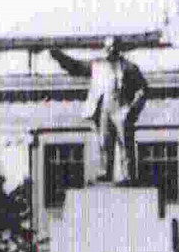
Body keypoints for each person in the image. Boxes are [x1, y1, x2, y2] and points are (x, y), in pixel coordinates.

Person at [48, 36, 148, 184]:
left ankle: (128, 175)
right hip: (104, 108)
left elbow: (142, 89)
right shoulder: (97, 66)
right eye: (108, 47)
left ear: (119, 48)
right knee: (104, 142)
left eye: (113, 46)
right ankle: (105, 172)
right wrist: (59, 56)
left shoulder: (129, 67)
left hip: (121, 108)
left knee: (125, 143)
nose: (111, 49)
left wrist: (131, 109)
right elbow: (76, 67)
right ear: (105, 48)